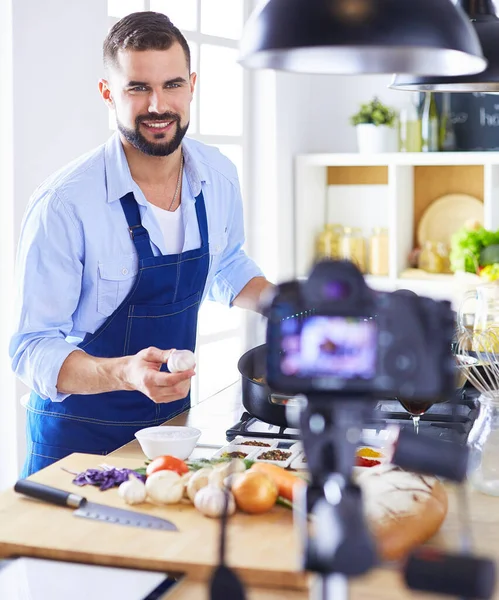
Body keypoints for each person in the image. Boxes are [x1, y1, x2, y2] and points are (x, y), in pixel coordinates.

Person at [10, 11, 272, 478]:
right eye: (137, 88)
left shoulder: (218, 176)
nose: (158, 105)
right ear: (108, 94)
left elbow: (225, 263)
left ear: (191, 85)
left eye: (172, 85)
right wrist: (126, 373)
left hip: (169, 435)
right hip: (75, 446)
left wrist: (283, 301)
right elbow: (31, 347)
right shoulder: (65, 203)